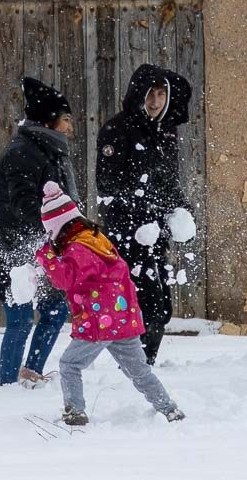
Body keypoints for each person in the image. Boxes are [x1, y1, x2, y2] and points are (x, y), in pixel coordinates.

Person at [35, 182, 186, 426]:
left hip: (99, 321)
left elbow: (64, 279)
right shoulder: (97, 239)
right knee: (139, 371)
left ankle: (75, 412)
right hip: (123, 317)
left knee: (70, 364)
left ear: (59, 227)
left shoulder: (78, 248)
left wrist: (46, 256)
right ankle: (169, 409)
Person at [0, 77, 77, 388]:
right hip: (12, 249)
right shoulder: (23, 152)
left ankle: (29, 373)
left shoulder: (51, 152)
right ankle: (6, 386)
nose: (70, 127)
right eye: (66, 119)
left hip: (42, 247)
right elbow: (24, 207)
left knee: (56, 311)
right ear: (49, 119)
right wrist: (62, 224)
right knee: (19, 320)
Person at [95, 63, 194, 365]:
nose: (155, 102)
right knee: (140, 303)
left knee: (162, 306)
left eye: (161, 95)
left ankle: (145, 362)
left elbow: (169, 181)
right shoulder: (117, 129)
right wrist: (144, 205)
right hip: (126, 234)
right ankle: (133, 365)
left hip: (156, 233)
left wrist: (182, 213)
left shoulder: (166, 132)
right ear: (139, 95)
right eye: (150, 94)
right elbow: (108, 184)